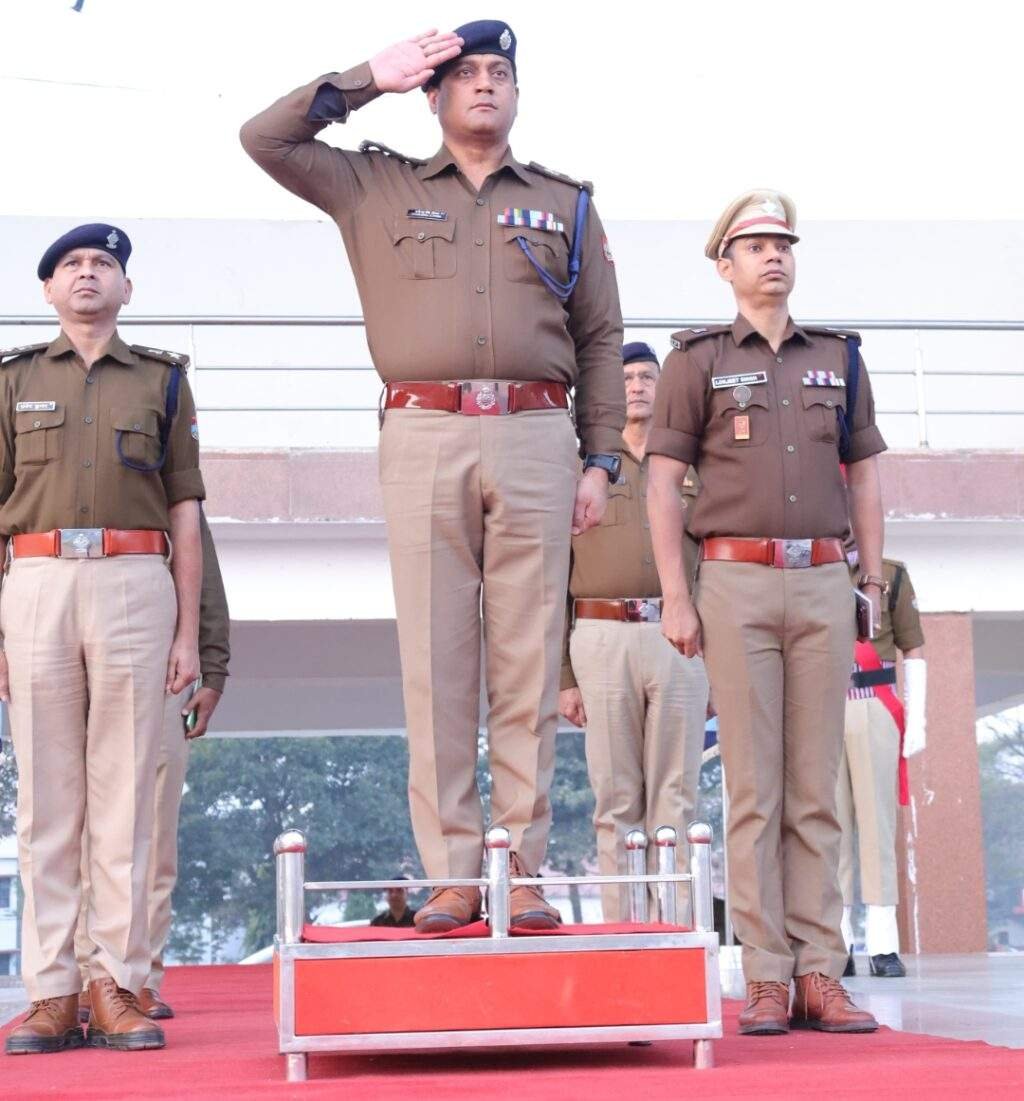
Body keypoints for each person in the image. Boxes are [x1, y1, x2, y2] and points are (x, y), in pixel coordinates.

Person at [241, 21, 625, 932]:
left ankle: (519, 871)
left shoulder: (565, 203)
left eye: (501, 73)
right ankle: (454, 873)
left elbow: (601, 337)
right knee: (435, 658)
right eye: (467, 74)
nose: (486, 85)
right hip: (424, 432)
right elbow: (266, 139)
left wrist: (602, 457)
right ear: (434, 95)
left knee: (528, 660)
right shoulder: (374, 185)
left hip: (536, 431)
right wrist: (366, 78)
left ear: (517, 94)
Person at [645, 191, 884, 1035]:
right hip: (734, 581)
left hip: (822, 580)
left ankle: (822, 971)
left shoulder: (839, 357)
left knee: (815, 789)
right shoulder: (695, 361)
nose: (773, 254)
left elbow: (864, 474)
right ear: (726, 266)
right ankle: (766, 976)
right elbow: (662, 484)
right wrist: (677, 594)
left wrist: (872, 580)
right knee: (753, 790)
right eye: (754, 245)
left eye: (783, 242)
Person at [1, 224, 205, 1055]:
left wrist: (188, 630)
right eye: (72, 265)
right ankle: (51, 991)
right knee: (47, 800)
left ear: (126, 288)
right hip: (36, 581)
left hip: (134, 581)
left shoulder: (162, 380)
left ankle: (115, 982)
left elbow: (186, 509)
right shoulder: (13, 380)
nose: (88, 273)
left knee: (125, 798)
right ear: (49, 289)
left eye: (104, 264)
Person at [559, 342, 708, 921]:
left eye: (648, 376)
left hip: (680, 639)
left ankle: (675, 929)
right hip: (600, 637)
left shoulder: (693, 466)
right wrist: (563, 677)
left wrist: (716, 663)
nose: (639, 386)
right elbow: (554, 575)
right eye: (627, 378)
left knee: (677, 795)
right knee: (615, 798)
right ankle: (624, 934)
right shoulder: (583, 469)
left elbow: (714, 568)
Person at [75, 511, 230, 1022]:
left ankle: (137, 978)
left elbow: (202, 571)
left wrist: (213, 669)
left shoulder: (167, 475)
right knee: (76, 828)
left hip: (162, 671)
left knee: (153, 833)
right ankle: (85, 976)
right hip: (72, 651)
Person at [838, 552, 925, 978]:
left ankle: (883, 943)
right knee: (828, 829)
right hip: (820, 707)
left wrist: (918, 718)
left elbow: (913, 647)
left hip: (875, 702)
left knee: (878, 825)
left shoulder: (890, 573)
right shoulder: (808, 567)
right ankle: (835, 942)